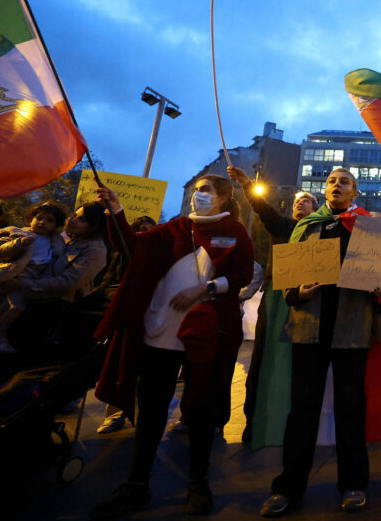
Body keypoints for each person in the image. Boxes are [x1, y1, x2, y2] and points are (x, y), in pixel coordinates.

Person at [91, 176, 254, 519]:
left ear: (224, 196)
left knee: (201, 412)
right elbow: (132, 247)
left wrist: (206, 288)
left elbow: (240, 275)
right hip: (161, 331)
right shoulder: (173, 229)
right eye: (196, 190)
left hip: (207, 334)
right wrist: (116, 210)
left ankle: (198, 482)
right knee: (151, 411)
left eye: (207, 190)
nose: (199, 195)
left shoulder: (235, 232)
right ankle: (137, 484)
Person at [259, 167, 381, 516]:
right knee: (302, 410)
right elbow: (287, 277)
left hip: (352, 328)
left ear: (355, 192)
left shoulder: (369, 226)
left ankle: (353, 484)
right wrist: (295, 293)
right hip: (309, 327)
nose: (337, 185)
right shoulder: (305, 226)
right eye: (332, 181)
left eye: (344, 181)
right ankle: (288, 487)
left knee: (352, 409)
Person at [226, 165, 317, 445]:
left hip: (311, 302)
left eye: (307, 201)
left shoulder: (324, 232)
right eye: (296, 201)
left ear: (317, 209)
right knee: (264, 359)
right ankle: (255, 422)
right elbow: (263, 210)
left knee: (300, 365)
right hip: (278, 298)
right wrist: (246, 185)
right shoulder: (285, 227)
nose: (299, 203)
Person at [96, 214, 158, 434]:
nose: (144, 232)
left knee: (141, 370)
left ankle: (142, 414)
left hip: (149, 320)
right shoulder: (120, 254)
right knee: (117, 367)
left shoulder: (159, 258)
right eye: (140, 228)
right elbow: (107, 279)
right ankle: (114, 414)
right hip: (123, 318)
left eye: (150, 229)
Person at [0, 201, 68, 354]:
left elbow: (57, 253)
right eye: (39, 217)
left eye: (49, 220)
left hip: (30, 279)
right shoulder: (20, 233)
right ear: (31, 218)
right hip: (16, 274)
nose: (42, 222)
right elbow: (0, 249)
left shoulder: (52, 240)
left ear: (56, 226)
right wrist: (18, 244)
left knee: (6, 307)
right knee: (16, 306)